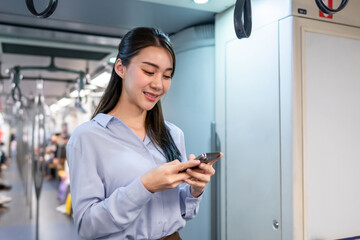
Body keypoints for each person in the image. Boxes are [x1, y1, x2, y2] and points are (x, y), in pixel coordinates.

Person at [66, 27, 219, 240]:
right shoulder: (88, 138)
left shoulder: (173, 134)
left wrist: (195, 190)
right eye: (148, 72)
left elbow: (183, 211)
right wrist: (144, 186)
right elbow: (87, 225)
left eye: (167, 75)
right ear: (120, 67)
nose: (158, 84)